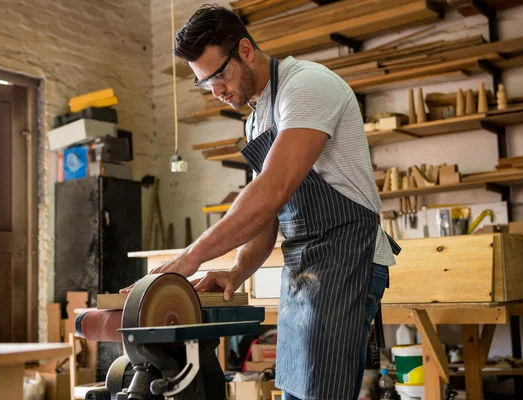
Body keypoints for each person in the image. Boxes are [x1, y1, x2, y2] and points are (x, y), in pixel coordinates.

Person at [121, 4, 400, 399]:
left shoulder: (306, 87)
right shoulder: (255, 118)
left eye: (219, 75)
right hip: (304, 267)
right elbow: (266, 218)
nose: (216, 91)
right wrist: (237, 271)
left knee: (321, 392)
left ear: (246, 51)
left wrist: (191, 257)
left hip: (348, 256)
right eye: (205, 84)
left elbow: (274, 188)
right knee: (296, 388)